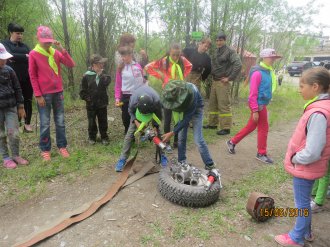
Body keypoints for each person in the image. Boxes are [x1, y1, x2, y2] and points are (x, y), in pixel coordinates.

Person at [274, 67, 330, 247]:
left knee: (301, 204)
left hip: (305, 166)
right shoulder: (323, 107)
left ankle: (296, 238)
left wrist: (295, 158)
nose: (299, 89)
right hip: (310, 166)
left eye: (302, 85)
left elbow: (313, 150)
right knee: (305, 201)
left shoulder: (318, 113)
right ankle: (307, 232)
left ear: (315, 87)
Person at [226, 48, 282, 164]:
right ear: (264, 58)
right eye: (271, 58)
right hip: (258, 105)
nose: (273, 60)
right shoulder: (257, 73)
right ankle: (261, 153)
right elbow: (252, 95)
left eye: (274, 58)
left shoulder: (267, 71)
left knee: (251, 126)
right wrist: (255, 110)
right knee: (263, 128)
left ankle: (232, 142)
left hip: (261, 104)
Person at [29, 26, 75, 161]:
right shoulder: (33, 54)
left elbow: (71, 64)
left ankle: (62, 146)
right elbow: (32, 76)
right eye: (45, 41)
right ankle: (45, 149)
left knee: (60, 121)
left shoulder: (55, 52)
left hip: (58, 92)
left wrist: (62, 49)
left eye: (49, 41)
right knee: (45, 123)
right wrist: (38, 95)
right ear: (39, 39)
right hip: (44, 94)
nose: (48, 43)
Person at [145, 43, 192, 152]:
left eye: (177, 54)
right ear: (169, 52)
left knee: (178, 117)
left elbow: (190, 66)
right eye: (173, 55)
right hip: (167, 93)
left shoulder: (182, 60)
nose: (175, 57)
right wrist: (161, 76)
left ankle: (176, 141)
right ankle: (166, 142)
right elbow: (148, 67)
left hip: (179, 92)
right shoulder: (164, 61)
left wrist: (183, 76)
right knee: (167, 118)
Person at [161, 80, 215, 170]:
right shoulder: (174, 89)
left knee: (198, 140)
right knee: (181, 138)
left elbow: (187, 119)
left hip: (196, 110)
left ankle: (209, 164)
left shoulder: (191, 92)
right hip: (184, 110)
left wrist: (172, 132)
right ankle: (182, 162)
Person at [114, 84, 167, 172]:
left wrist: (155, 127)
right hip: (137, 115)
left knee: (158, 133)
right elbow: (130, 111)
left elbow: (159, 115)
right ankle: (122, 159)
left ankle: (163, 156)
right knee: (130, 134)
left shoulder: (156, 101)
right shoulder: (134, 100)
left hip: (152, 113)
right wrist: (136, 122)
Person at [203, 31, 242, 135]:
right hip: (215, 81)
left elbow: (238, 64)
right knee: (213, 104)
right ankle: (212, 124)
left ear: (225, 40)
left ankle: (226, 128)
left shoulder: (230, 51)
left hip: (223, 82)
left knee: (224, 105)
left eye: (220, 40)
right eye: (217, 40)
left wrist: (229, 78)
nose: (218, 42)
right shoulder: (216, 51)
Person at [0, 43, 29, 169]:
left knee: (14, 132)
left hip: (11, 107)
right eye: (1, 58)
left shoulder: (9, 70)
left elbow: (17, 88)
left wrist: (21, 106)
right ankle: (6, 157)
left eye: (4, 58)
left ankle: (16, 155)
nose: (4, 60)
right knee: (1, 134)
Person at [2, 23, 33, 133]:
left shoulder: (25, 46)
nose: (20, 36)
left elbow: (31, 56)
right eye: (17, 33)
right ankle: (18, 124)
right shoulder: (4, 44)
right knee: (15, 101)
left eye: (21, 34)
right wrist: (24, 56)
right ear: (11, 32)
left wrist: (17, 57)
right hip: (10, 79)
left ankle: (27, 124)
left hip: (26, 77)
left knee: (28, 100)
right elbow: (9, 55)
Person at [80, 54, 111, 145]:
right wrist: (88, 99)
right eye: (100, 63)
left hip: (102, 103)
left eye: (102, 63)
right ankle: (92, 137)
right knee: (91, 121)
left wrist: (100, 75)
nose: (102, 65)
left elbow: (107, 82)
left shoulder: (103, 73)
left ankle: (104, 137)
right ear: (94, 64)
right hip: (91, 104)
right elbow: (82, 91)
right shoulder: (86, 76)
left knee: (103, 120)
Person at [115, 46, 146, 134]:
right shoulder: (120, 68)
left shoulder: (137, 66)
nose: (123, 58)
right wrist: (117, 98)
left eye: (125, 56)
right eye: (122, 56)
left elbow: (143, 80)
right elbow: (118, 85)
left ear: (131, 55)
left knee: (138, 115)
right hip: (125, 96)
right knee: (126, 117)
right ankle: (128, 135)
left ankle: (141, 132)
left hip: (137, 95)